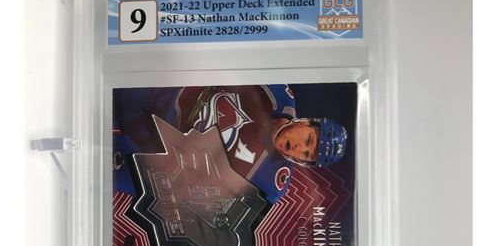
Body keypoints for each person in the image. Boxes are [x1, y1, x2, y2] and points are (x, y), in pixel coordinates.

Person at [113, 84, 348, 204]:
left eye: (307, 155)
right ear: (306, 122)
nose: (299, 148)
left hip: (153, 150)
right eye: (307, 139)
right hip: (158, 94)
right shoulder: (276, 92)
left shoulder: (271, 181)